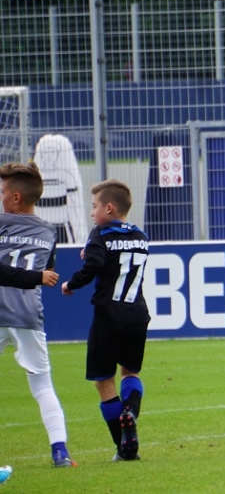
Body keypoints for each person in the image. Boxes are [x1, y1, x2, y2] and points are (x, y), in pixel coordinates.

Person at [62, 179, 151, 461]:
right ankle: (130, 411)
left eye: (94, 206)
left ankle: (124, 448)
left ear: (109, 208)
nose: (92, 212)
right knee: (130, 373)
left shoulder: (99, 234)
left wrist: (71, 284)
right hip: (137, 315)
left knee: (103, 381)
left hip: (108, 317)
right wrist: (92, 251)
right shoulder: (141, 236)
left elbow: (95, 265)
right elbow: (116, 258)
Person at [0, 162, 76, 468]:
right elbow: (49, 270)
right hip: (29, 315)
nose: (1, 197)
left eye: (2, 192)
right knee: (43, 386)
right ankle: (60, 452)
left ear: (16, 197)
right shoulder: (48, 231)